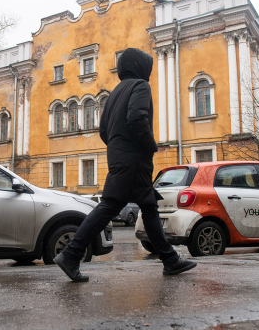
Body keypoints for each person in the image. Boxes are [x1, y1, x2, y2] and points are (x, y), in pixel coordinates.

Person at [54, 48, 197, 282]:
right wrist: (149, 145)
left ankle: (170, 260)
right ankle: (71, 254)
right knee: (110, 206)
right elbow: (137, 117)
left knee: (148, 207)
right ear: (140, 67)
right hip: (135, 158)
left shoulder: (114, 94)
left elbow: (103, 130)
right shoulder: (141, 86)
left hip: (120, 156)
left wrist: (117, 146)